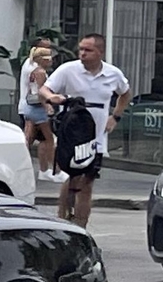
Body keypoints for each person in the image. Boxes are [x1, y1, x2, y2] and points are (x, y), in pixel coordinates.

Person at [44, 33, 132, 228]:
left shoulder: (112, 74)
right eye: (81, 49)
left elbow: (125, 94)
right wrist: (52, 97)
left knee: (87, 181)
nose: (82, 53)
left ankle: (81, 225)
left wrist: (115, 116)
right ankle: (64, 219)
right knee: (72, 176)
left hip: (96, 137)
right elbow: (44, 89)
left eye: (88, 50)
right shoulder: (68, 70)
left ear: (100, 52)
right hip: (73, 132)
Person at [17, 42, 59, 180]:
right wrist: (47, 105)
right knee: (49, 139)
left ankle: (31, 168)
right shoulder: (39, 72)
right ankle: (55, 171)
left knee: (29, 138)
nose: (51, 60)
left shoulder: (29, 67)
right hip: (37, 108)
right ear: (42, 59)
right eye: (49, 58)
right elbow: (41, 91)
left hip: (27, 106)